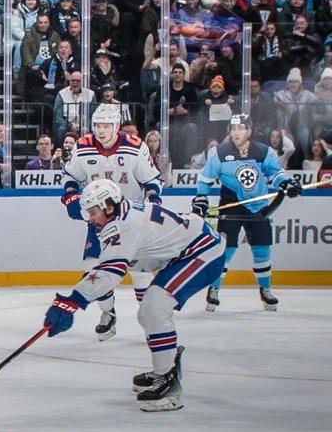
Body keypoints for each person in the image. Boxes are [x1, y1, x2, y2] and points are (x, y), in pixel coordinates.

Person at [42, 178, 224, 412]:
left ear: (109, 206)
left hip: (203, 252)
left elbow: (109, 272)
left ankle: (168, 381)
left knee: (154, 307)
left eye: (94, 212)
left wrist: (71, 302)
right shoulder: (122, 214)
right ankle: (165, 367)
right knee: (147, 313)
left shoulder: (122, 226)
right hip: (187, 251)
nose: (90, 219)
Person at [60, 104, 163, 341]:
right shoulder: (83, 146)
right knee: (93, 269)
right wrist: (70, 197)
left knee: (140, 272)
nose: (101, 130)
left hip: (131, 219)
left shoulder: (135, 147)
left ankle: (149, 319)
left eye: (106, 125)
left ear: (116, 126)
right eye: (97, 125)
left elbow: (153, 180)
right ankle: (108, 314)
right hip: (99, 219)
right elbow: (71, 177)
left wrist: (153, 200)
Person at [193, 114, 303, 311]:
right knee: (226, 250)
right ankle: (214, 289)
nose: (236, 133)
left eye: (241, 128)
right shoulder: (218, 153)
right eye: (233, 129)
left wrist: (285, 183)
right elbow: (205, 179)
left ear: (249, 131)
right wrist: (201, 198)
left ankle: (265, 289)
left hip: (258, 207)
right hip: (231, 205)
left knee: (262, 249)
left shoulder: (264, 152)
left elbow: (275, 173)